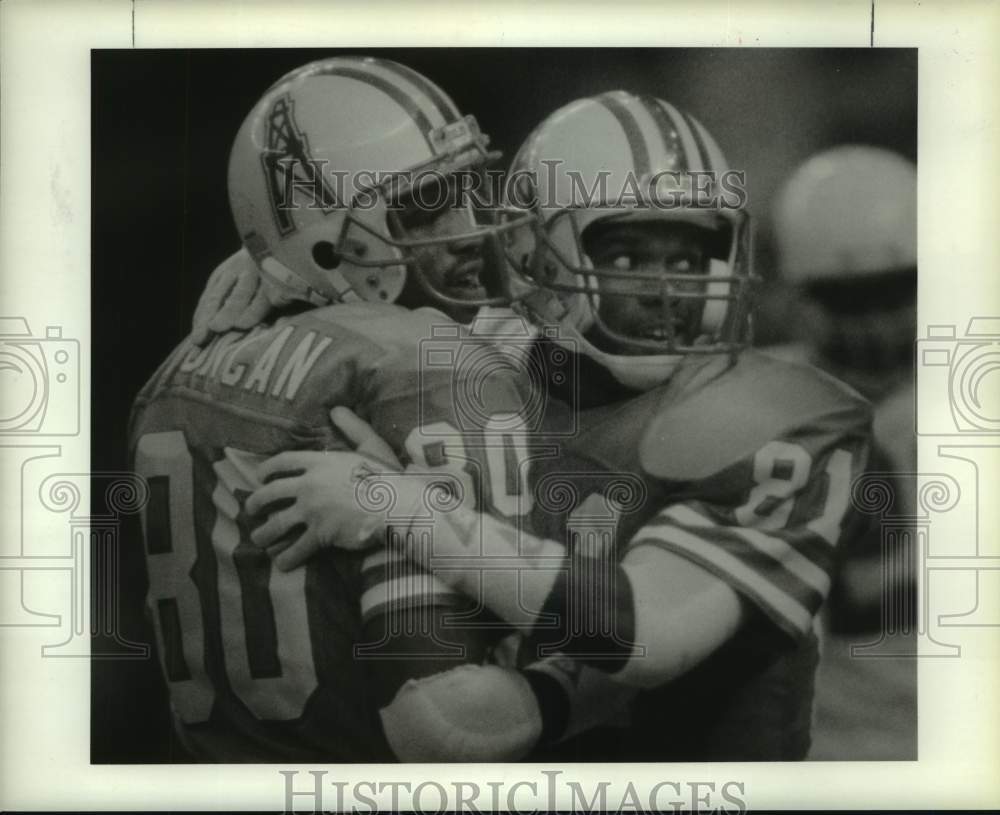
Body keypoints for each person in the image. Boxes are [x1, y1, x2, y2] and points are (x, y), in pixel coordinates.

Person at [247, 92, 875, 761]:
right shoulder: (474, 360)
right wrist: (267, 272)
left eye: (690, 256)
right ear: (529, 250)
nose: (669, 289)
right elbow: (344, 260)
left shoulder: (772, 415)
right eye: (627, 255)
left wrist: (403, 505)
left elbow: (646, 634)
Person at [129, 56, 537, 762]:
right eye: (429, 203)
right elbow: (529, 664)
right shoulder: (427, 367)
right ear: (326, 241)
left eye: (469, 190)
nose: (471, 230)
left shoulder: (168, 380)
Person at [771, 145, 917, 631]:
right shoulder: (757, 404)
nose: (877, 326)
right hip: (836, 700)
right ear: (794, 299)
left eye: (897, 293)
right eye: (852, 301)